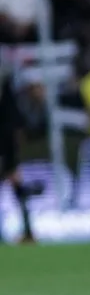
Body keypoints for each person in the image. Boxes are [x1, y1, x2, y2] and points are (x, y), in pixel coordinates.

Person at [0, 63, 34, 244]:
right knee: (15, 181)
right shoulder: (7, 85)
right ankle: (28, 230)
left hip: (5, 139)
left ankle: (28, 231)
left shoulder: (5, 87)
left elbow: (14, 118)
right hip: (8, 138)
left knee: (14, 180)